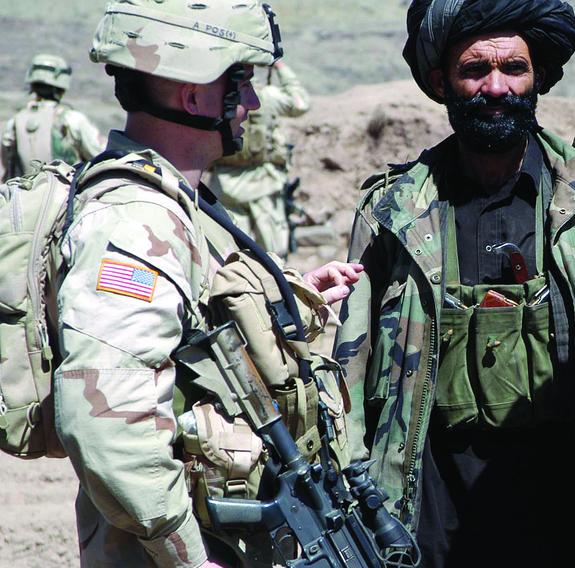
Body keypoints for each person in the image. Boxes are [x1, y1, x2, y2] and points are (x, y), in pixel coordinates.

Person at [52, 1, 361, 566]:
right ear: (194, 95)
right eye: (239, 83)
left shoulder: (179, 205)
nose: (252, 102)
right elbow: (104, 423)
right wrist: (188, 556)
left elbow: (195, 329)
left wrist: (284, 296)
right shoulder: (136, 221)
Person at [332, 1, 575, 566]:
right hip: (431, 514)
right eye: (474, 70)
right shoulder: (394, 213)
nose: (496, 87)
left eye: (514, 68)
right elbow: (349, 372)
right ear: (442, 81)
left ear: (538, 76)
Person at [206, 59, 311, 258]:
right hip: (265, 183)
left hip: (225, 184)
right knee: (274, 253)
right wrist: (281, 67)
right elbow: (301, 102)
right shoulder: (269, 97)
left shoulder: (216, 96)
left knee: (228, 250)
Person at [1, 53, 105, 181]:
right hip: (67, 197)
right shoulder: (72, 120)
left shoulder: (14, 123)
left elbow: (7, 167)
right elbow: (101, 157)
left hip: (24, 197)